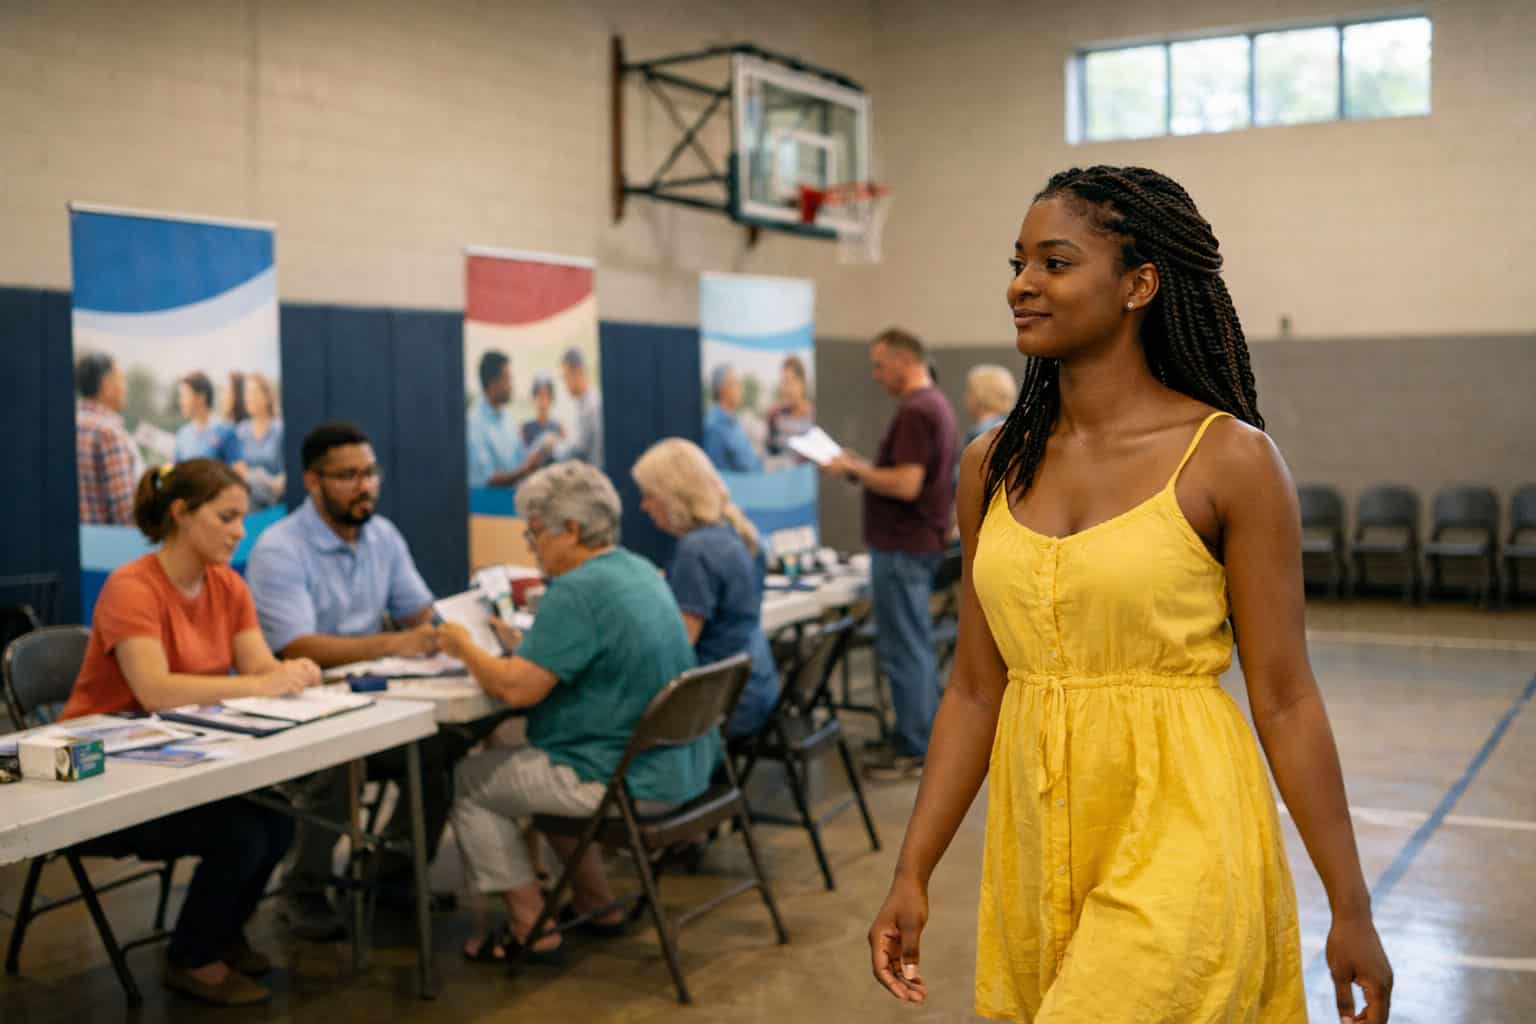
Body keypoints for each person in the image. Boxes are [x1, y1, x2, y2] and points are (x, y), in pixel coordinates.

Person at [867, 166, 1392, 1023]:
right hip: (1037, 840)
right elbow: (974, 689)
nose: (1022, 284)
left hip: (1185, 824)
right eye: (1017, 262)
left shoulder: (1230, 459)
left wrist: (1351, 907)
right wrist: (911, 870)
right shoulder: (989, 465)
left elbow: (1286, 697)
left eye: (1055, 262)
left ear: (1139, 285)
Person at [60, 459, 321, 1006]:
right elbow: (155, 690)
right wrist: (262, 682)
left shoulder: (227, 584)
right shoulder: (131, 586)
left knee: (277, 820)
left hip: (177, 764)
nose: (239, 531)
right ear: (180, 513)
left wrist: (290, 673)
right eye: (226, 517)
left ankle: (220, 934)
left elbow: (260, 668)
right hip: (102, 778)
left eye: (242, 518)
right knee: (241, 834)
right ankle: (192, 958)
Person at [439, 461, 715, 962]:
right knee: (533, 760)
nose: (531, 547)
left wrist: (464, 647)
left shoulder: (576, 590)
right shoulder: (637, 570)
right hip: (683, 767)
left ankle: (530, 926)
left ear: (569, 530)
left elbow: (515, 689)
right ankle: (596, 903)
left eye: (535, 533)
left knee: (471, 782)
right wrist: (521, 645)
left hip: (626, 779)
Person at [246, 422, 443, 939]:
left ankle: (392, 872)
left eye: (371, 473)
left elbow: (422, 614)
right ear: (313, 481)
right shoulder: (280, 548)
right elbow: (298, 647)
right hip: (303, 706)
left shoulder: (383, 536)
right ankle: (303, 887)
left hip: (374, 698)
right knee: (342, 757)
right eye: (349, 476)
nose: (366, 487)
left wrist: (459, 632)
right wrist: (393, 644)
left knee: (443, 745)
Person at [821, 329, 957, 781]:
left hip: (902, 548)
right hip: (916, 545)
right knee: (913, 646)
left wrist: (854, 469)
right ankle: (919, 739)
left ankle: (916, 747)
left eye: (880, 365)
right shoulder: (935, 404)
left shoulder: (916, 411)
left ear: (903, 361)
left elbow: (906, 484)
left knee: (905, 651)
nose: (876, 375)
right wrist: (862, 467)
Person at [632, 438, 779, 738]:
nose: (644, 506)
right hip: (756, 690)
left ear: (672, 495)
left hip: (720, 708)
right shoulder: (739, 535)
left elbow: (677, 648)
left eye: (649, 495)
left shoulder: (695, 552)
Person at [74, 352, 143, 525]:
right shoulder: (109, 433)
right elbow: (125, 512)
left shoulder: (70, 425)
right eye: (121, 380)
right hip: (108, 539)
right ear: (107, 385)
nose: (125, 389)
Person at [468, 350, 545, 489]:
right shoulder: (474, 423)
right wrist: (524, 470)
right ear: (493, 383)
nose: (511, 386)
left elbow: (520, 460)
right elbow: (488, 479)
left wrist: (538, 455)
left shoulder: (508, 418)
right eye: (508, 379)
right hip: (490, 501)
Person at [957, 364, 1017, 491]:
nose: (964, 397)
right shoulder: (1013, 429)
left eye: (969, 391)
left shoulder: (979, 436)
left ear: (979, 394)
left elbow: (965, 480)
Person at [233, 373, 285, 509]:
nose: (249, 398)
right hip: (248, 506)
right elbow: (237, 471)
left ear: (267, 397)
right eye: (247, 394)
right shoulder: (240, 431)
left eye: (254, 393)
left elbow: (287, 474)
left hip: (275, 505)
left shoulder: (280, 429)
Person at [701, 365, 763, 473]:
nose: (740, 388)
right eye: (736, 383)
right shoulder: (714, 427)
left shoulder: (734, 422)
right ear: (722, 388)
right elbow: (715, 472)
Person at [549, 347, 604, 468]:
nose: (565, 383)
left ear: (578, 372)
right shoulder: (584, 403)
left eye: (566, 377)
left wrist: (555, 447)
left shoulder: (591, 405)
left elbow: (578, 449)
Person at [174, 372, 243, 467]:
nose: (181, 401)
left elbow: (239, 471)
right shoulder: (183, 434)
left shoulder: (226, 431)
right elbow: (177, 470)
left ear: (201, 397)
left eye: (185, 396)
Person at [765, 355, 816, 456]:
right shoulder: (775, 415)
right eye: (784, 383)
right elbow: (768, 452)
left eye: (790, 382)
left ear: (802, 383)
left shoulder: (814, 418)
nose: (786, 389)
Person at [520, 373, 564, 451]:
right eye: (539, 396)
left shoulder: (558, 427)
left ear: (551, 399)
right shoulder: (526, 428)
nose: (543, 401)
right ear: (533, 398)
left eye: (546, 396)